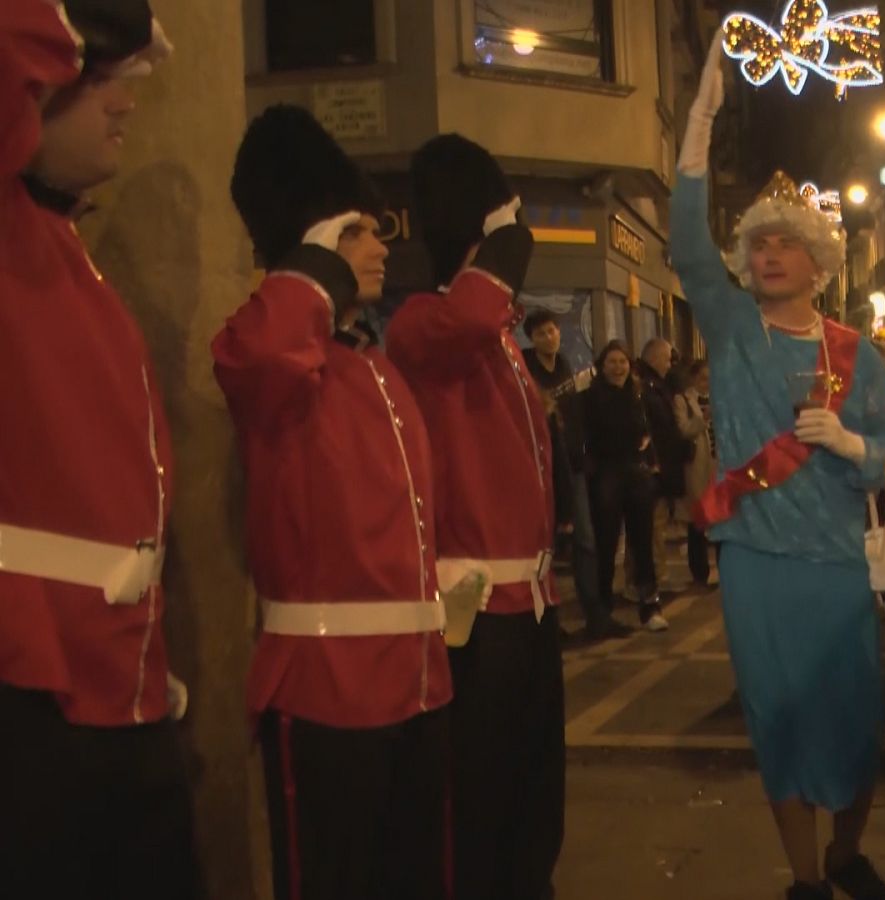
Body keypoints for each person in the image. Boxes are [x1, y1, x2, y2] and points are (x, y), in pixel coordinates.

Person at [673, 40, 885, 900]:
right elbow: (685, 244)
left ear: (819, 260)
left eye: (787, 243)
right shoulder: (734, 330)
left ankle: (848, 855)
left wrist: (854, 447)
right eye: (759, 243)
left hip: (835, 566)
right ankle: (808, 879)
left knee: (855, 727)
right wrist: (697, 125)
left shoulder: (858, 355)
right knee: (778, 723)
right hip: (756, 568)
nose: (768, 253)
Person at [215, 105, 451, 900]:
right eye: (357, 231)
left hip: (417, 684)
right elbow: (258, 356)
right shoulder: (276, 353)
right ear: (315, 245)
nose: (382, 245)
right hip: (327, 691)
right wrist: (310, 268)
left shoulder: (371, 367)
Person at [0, 5, 194, 898]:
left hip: (119, 690)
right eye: (96, 76)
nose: (122, 101)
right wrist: (78, 16)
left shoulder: (66, 254)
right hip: (31, 693)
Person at [385, 133, 564, 900]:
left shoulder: (499, 340)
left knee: (535, 805)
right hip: (476, 614)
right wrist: (507, 237)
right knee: (478, 814)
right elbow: (467, 316)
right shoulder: (423, 323)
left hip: (531, 608)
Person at [523, 310, 619, 639]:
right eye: (540, 334)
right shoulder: (525, 370)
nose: (548, 338)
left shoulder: (565, 365)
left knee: (585, 539)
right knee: (544, 541)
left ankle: (594, 612)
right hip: (540, 467)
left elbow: (577, 416)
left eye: (551, 331)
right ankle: (546, 620)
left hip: (573, 466)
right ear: (531, 339)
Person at [585, 340, 668, 632]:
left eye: (622, 362)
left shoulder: (639, 396)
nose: (618, 367)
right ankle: (603, 609)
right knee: (606, 545)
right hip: (607, 477)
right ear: (602, 366)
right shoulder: (590, 398)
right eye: (612, 362)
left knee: (642, 544)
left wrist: (650, 460)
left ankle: (650, 607)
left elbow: (651, 431)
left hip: (637, 475)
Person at [638, 336, 688, 591]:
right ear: (655, 358)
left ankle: (652, 576)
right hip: (652, 467)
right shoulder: (647, 387)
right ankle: (654, 578)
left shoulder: (657, 385)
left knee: (654, 524)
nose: (670, 364)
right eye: (668, 359)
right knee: (652, 526)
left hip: (660, 465)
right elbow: (656, 428)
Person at [675, 359, 719, 587]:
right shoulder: (682, 400)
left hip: (718, 464)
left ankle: (723, 570)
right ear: (693, 378)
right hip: (697, 466)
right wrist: (704, 418)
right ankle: (699, 573)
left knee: (720, 517)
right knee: (697, 521)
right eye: (702, 378)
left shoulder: (718, 398)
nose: (706, 383)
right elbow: (683, 430)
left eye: (710, 379)